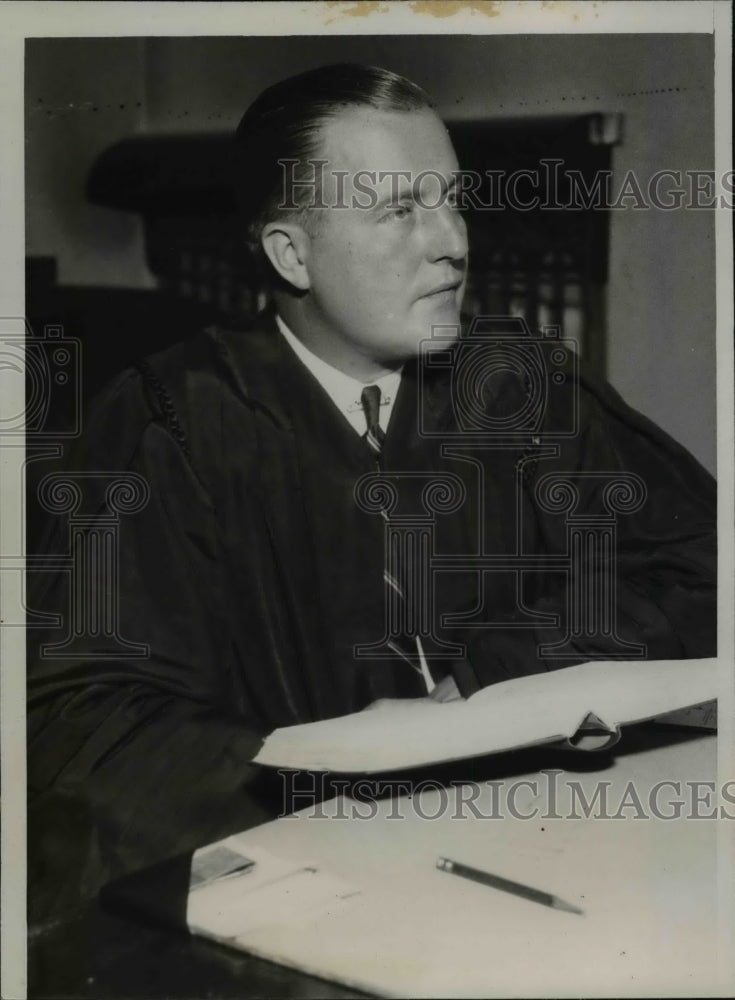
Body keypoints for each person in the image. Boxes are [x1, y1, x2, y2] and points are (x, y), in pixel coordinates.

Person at [27, 64, 716, 918]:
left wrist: (503, 668)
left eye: (450, 200)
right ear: (290, 252)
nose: (452, 242)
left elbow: (702, 568)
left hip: (541, 848)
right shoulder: (167, 426)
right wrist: (339, 774)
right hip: (310, 888)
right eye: (398, 210)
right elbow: (85, 730)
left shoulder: (521, 389)